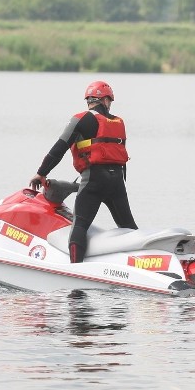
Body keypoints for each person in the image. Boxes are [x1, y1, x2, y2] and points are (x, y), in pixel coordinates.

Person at [29, 80, 138, 263]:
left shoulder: (82, 119)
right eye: (109, 101)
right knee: (128, 227)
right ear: (105, 100)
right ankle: (147, 264)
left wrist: (41, 173)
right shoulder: (118, 122)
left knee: (79, 226)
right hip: (117, 181)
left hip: (94, 180)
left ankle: (75, 271)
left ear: (90, 100)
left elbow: (59, 148)